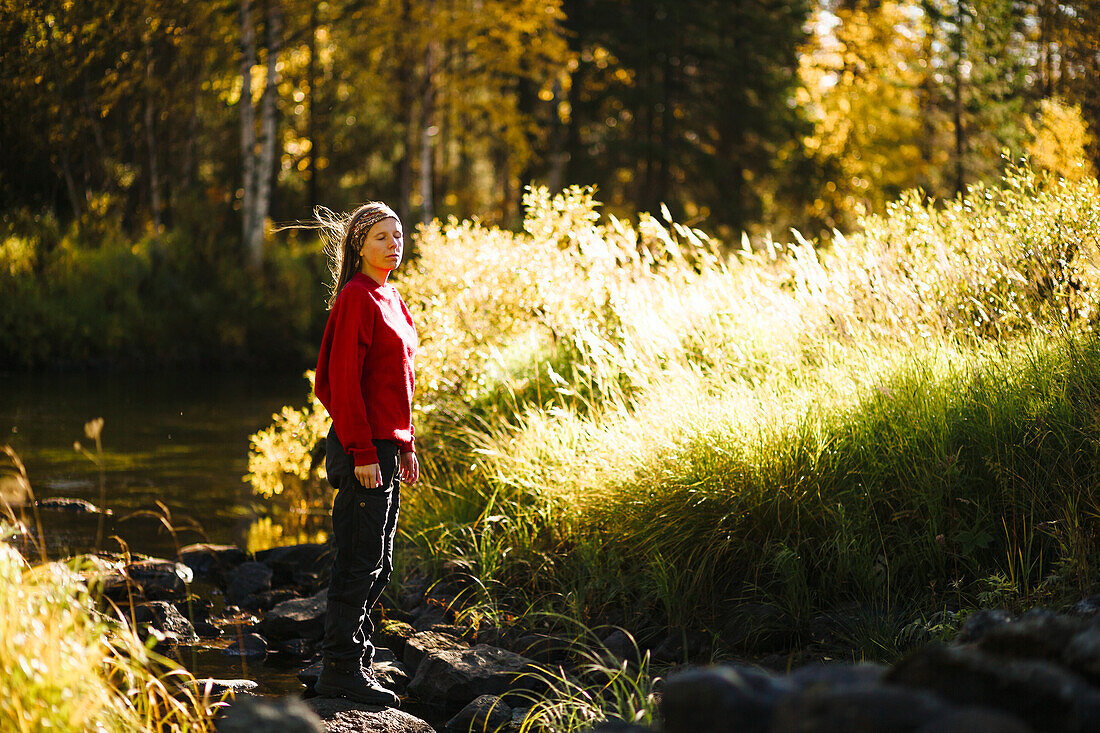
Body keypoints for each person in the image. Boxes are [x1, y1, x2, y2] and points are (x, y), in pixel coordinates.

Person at [311, 201, 419, 707]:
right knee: (358, 560)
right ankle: (338, 668)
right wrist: (361, 449)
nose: (393, 244)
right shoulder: (356, 297)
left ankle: (354, 658)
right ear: (358, 244)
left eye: (397, 235)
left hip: (386, 447)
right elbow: (339, 383)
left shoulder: (391, 297)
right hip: (363, 450)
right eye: (381, 236)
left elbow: (396, 384)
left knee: (380, 560)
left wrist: (406, 443)